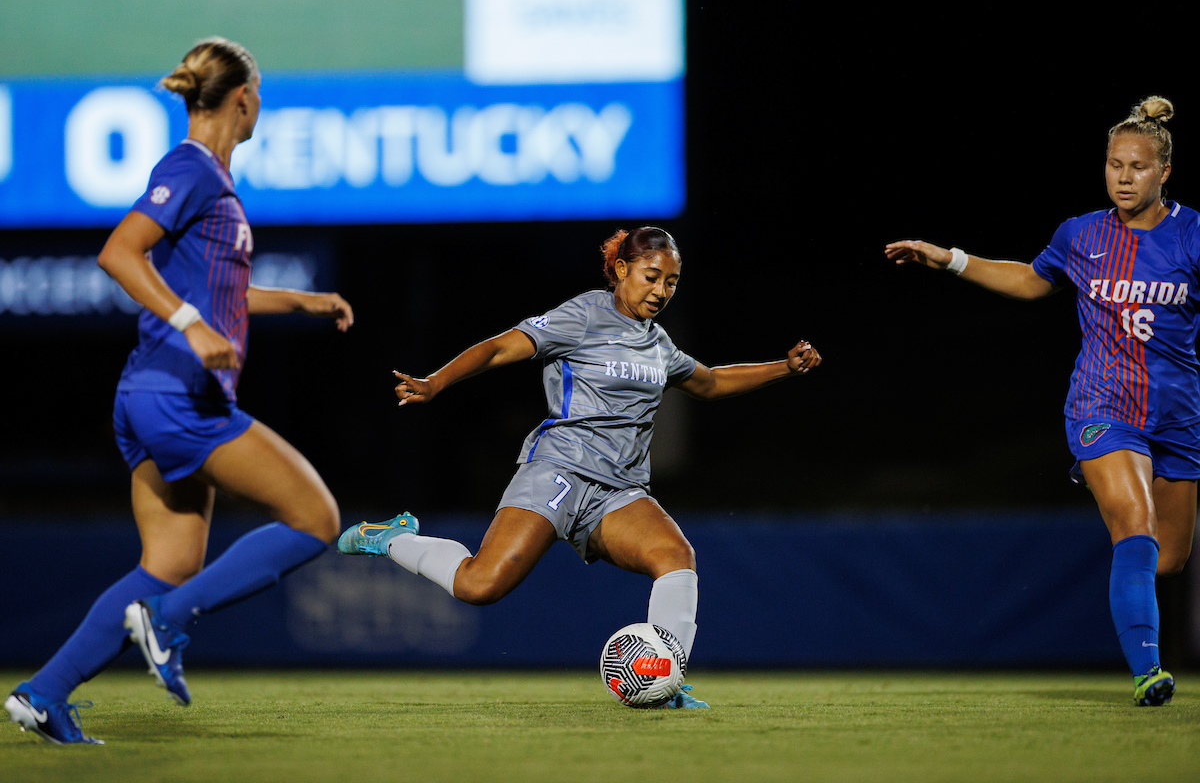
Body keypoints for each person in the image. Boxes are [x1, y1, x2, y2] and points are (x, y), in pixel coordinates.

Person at [5, 38, 353, 745]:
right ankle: (166, 622)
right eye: (259, 99)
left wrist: (301, 302)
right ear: (244, 99)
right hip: (177, 396)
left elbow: (221, 293)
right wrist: (192, 327)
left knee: (168, 565)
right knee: (315, 517)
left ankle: (45, 694)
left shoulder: (210, 181)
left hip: (147, 393)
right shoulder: (191, 167)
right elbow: (118, 251)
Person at [337, 226, 821, 708]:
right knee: (479, 586)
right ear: (622, 270)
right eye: (652, 277)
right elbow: (501, 346)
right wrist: (436, 382)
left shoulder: (659, 344)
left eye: (672, 282)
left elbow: (711, 383)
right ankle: (393, 536)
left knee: (676, 558)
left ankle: (668, 677)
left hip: (620, 493)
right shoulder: (586, 314)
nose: (661, 291)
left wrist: (784, 367)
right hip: (559, 470)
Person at [885, 96, 1191, 707]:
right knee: (1134, 527)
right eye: (1113, 164)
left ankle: (1131, 593)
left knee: (1167, 559)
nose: (1123, 176)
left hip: (1181, 415)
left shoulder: (1193, 235)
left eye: (1137, 166)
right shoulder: (1083, 234)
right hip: (1102, 406)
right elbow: (1031, 279)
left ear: (1163, 173)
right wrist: (950, 259)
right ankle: (1147, 671)